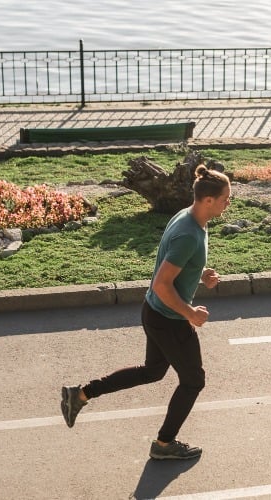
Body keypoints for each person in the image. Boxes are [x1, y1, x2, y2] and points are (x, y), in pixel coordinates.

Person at [61, 164, 231, 460]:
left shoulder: (189, 218)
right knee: (193, 381)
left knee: (153, 371)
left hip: (154, 312)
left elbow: (176, 264)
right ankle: (164, 444)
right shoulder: (189, 234)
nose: (229, 202)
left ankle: (80, 395)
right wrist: (190, 313)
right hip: (169, 319)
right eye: (226, 198)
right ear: (208, 200)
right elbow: (163, 283)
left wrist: (200, 273)